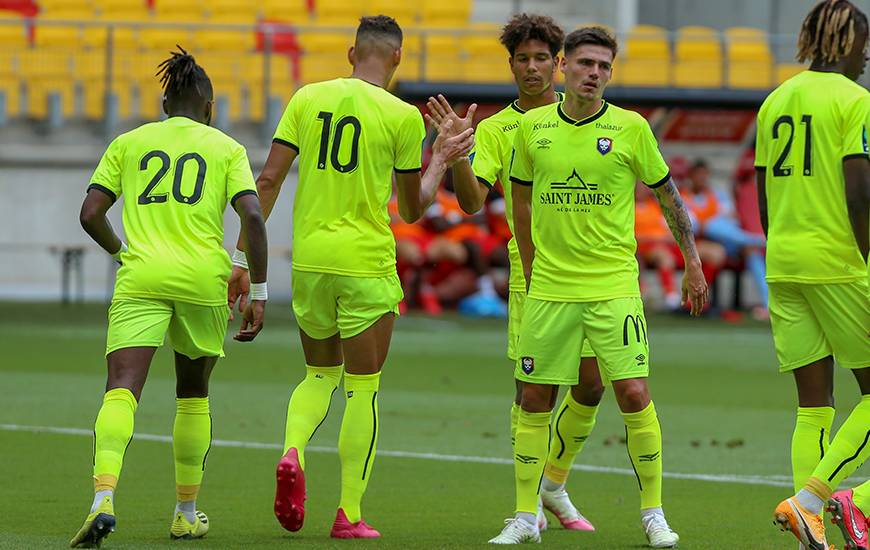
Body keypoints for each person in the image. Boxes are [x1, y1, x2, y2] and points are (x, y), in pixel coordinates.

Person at [227, 15, 474, 539]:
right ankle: (349, 515)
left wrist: (243, 261)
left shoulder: (306, 97)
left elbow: (267, 180)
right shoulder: (403, 117)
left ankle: (292, 451)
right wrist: (441, 160)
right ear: (398, 60)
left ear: (350, 54)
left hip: (312, 259)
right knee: (363, 388)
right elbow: (412, 209)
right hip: (365, 263)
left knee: (319, 374)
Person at [492, 26, 709, 546]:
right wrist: (531, 260)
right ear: (564, 66)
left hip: (614, 288)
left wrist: (693, 263)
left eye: (604, 66)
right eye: (586, 63)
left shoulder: (632, 128)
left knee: (633, 393)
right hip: (550, 289)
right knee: (535, 397)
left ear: (611, 73)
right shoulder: (533, 128)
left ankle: (654, 514)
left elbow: (668, 196)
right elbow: (519, 199)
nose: (594, 73)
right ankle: (525, 517)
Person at [70, 47, 268, 547]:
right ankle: (185, 512)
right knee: (193, 393)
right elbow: (254, 218)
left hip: (142, 277)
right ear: (209, 106)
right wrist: (258, 287)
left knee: (122, 387)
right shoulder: (226, 148)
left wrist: (123, 255)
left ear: (164, 104)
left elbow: (91, 213)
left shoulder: (128, 143)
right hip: (204, 279)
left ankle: (103, 499)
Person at [426, 13, 600, 534]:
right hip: (534, 277)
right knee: (530, 394)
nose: (532, 67)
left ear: (559, 63)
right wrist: (459, 152)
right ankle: (528, 508)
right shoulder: (499, 129)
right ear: (511, 65)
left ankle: (554, 483)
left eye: (541, 58)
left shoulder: (594, 117)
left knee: (591, 387)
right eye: (522, 59)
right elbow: (473, 201)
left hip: (595, 276)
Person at [760, 2, 870, 549]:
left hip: (782, 262)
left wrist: (781, 250)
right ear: (845, 41)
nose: (867, 54)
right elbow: (859, 191)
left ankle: (812, 530)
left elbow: (762, 198)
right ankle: (815, 501)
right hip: (839, 261)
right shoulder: (855, 101)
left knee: (814, 404)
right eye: (863, 42)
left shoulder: (776, 99)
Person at [681, 159, 767, 315]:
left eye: (704, 175)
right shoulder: (683, 197)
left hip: (727, 241)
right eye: (698, 175)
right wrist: (707, 222)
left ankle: (769, 305)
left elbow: (731, 218)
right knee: (711, 225)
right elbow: (691, 225)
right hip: (700, 242)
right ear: (691, 177)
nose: (701, 179)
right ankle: (760, 240)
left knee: (752, 253)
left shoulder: (717, 195)